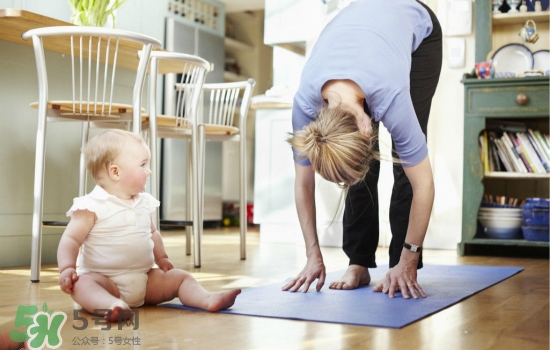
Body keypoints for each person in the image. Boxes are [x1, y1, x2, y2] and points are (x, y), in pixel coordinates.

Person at [283, 0, 442, 299]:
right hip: (362, 29)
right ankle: (359, 262)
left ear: (366, 129)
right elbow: (303, 183)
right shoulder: (305, 107)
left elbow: (425, 184)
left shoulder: (390, 95)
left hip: (417, 28)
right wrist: (312, 255)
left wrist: (408, 259)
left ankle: (400, 263)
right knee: (359, 174)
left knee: (404, 164)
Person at [57, 130, 241, 321]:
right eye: (143, 165)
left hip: (145, 279)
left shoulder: (143, 202)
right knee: (82, 286)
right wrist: (67, 268)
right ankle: (111, 305)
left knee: (181, 278)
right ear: (115, 172)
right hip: (106, 281)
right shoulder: (92, 205)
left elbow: (153, 233)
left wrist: (161, 258)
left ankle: (207, 299)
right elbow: (71, 239)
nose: (149, 170)